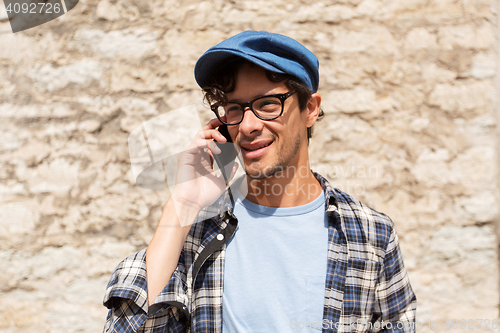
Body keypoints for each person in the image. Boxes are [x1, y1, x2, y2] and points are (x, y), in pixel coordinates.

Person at [102, 30, 416, 333]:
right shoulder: (197, 229)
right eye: (234, 109)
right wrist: (181, 204)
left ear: (310, 109)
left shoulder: (370, 233)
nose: (248, 126)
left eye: (267, 104)